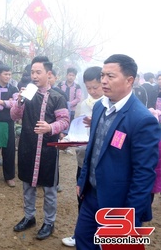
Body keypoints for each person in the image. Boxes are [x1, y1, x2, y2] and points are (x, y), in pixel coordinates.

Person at [74, 54, 161, 249]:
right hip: (91, 196)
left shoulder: (142, 119)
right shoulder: (99, 107)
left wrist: (129, 215)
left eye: (110, 76)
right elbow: (92, 149)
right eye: (103, 75)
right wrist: (82, 180)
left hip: (119, 203)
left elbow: (144, 174)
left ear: (129, 80)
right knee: (84, 240)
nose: (103, 80)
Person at [11, 56, 70, 240]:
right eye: (32, 72)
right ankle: (29, 217)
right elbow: (14, 116)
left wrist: (50, 128)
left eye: (38, 72)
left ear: (48, 73)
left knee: (49, 189)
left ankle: (49, 222)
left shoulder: (58, 97)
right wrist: (19, 101)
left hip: (48, 150)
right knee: (27, 185)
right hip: (28, 146)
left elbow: (65, 121)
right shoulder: (27, 93)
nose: (34, 76)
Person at [61, 66, 104, 247]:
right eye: (89, 88)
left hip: (101, 164)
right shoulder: (83, 104)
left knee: (101, 202)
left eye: (96, 87)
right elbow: (76, 127)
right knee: (82, 198)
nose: (93, 91)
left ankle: (101, 237)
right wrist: (69, 139)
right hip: (83, 159)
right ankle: (81, 234)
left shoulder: (109, 105)